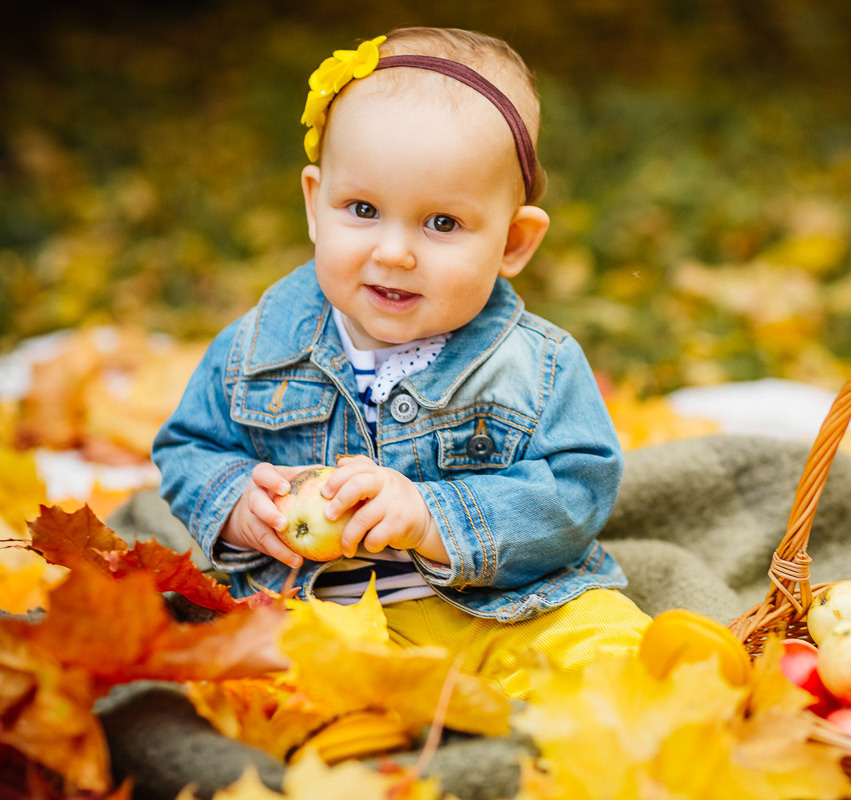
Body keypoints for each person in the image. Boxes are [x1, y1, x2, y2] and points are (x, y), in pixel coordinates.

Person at [152, 26, 651, 698]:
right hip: (317, 610)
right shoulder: (258, 346)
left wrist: (433, 515)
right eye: (362, 210)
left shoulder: (539, 366)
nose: (394, 252)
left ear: (515, 241)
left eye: (442, 223)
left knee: (612, 645)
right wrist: (235, 500)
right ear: (313, 204)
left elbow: (577, 493)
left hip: (504, 609)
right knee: (267, 677)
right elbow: (189, 446)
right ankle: (359, 738)